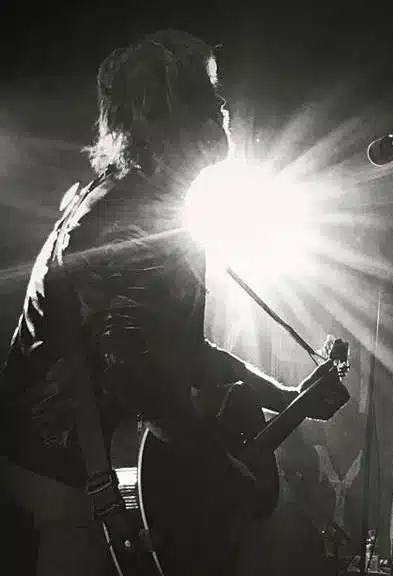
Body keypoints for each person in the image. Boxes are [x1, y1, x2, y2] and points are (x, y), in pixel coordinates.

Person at [0, 29, 349, 576]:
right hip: (61, 475)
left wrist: (285, 397)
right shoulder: (135, 216)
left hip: (68, 465)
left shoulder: (134, 201)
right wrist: (218, 467)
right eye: (207, 95)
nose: (222, 107)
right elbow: (131, 374)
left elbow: (181, 350)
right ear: (169, 116)